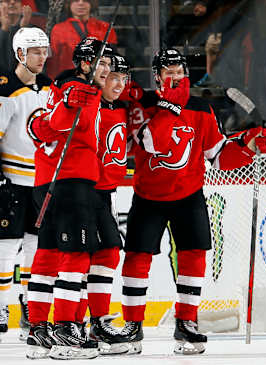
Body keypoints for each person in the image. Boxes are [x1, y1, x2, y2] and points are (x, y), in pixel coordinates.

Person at [119, 48, 266, 355]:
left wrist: (245, 145)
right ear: (157, 76)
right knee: (137, 257)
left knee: (193, 255)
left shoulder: (202, 108)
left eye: (179, 71)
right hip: (148, 195)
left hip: (188, 195)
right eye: (168, 71)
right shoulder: (142, 104)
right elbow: (151, 142)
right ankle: (132, 325)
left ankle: (186, 322)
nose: (174, 76)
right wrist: (171, 106)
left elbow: (218, 156)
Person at [26, 37, 113, 360]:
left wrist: (67, 101)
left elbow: (44, 127)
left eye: (108, 64)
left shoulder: (65, 86)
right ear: (85, 63)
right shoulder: (75, 88)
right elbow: (56, 125)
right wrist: (69, 103)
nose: (106, 69)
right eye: (101, 63)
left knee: (47, 255)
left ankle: (38, 329)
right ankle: (64, 329)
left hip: (49, 179)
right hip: (70, 180)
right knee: (76, 255)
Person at [70, 53, 131, 356]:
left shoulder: (122, 108)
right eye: (111, 77)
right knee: (79, 259)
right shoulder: (88, 103)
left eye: (123, 78)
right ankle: (72, 324)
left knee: (108, 253)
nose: (118, 84)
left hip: (106, 193)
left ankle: (97, 321)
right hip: (83, 191)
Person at [0, 26, 49, 342]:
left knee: (35, 246)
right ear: (20, 53)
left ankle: (29, 304)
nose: (42, 57)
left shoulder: (49, 87)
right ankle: (0, 306)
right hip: (12, 181)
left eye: (44, 51)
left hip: (41, 181)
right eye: (35, 51)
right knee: (5, 247)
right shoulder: (5, 88)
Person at [46, 0, 117, 79]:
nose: (80, 3)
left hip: (99, 80)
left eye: (85, 0)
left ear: (91, 3)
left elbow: (113, 59)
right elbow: (54, 62)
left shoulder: (105, 28)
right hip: (69, 80)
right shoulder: (59, 29)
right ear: (69, 4)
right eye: (75, 0)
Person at [0, 0, 33, 72]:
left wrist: (23, 29)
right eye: (7, 0)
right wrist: (4, 30)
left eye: (17, 0)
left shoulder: (32, 28)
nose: (12, 2)